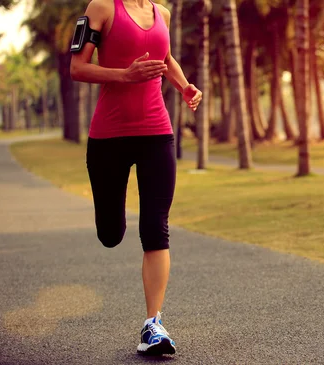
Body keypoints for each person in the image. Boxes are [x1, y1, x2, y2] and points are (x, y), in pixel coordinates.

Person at [70, 0, 201, 356]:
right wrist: (123, 75)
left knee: (155, 226)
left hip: (156, 131)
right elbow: (77, 68)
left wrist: (184, 85)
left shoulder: (163, 12)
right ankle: (111, 218)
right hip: (109, 136)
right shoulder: (102, 7)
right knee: (111, 234)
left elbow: (165, 57)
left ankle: (152, 324)